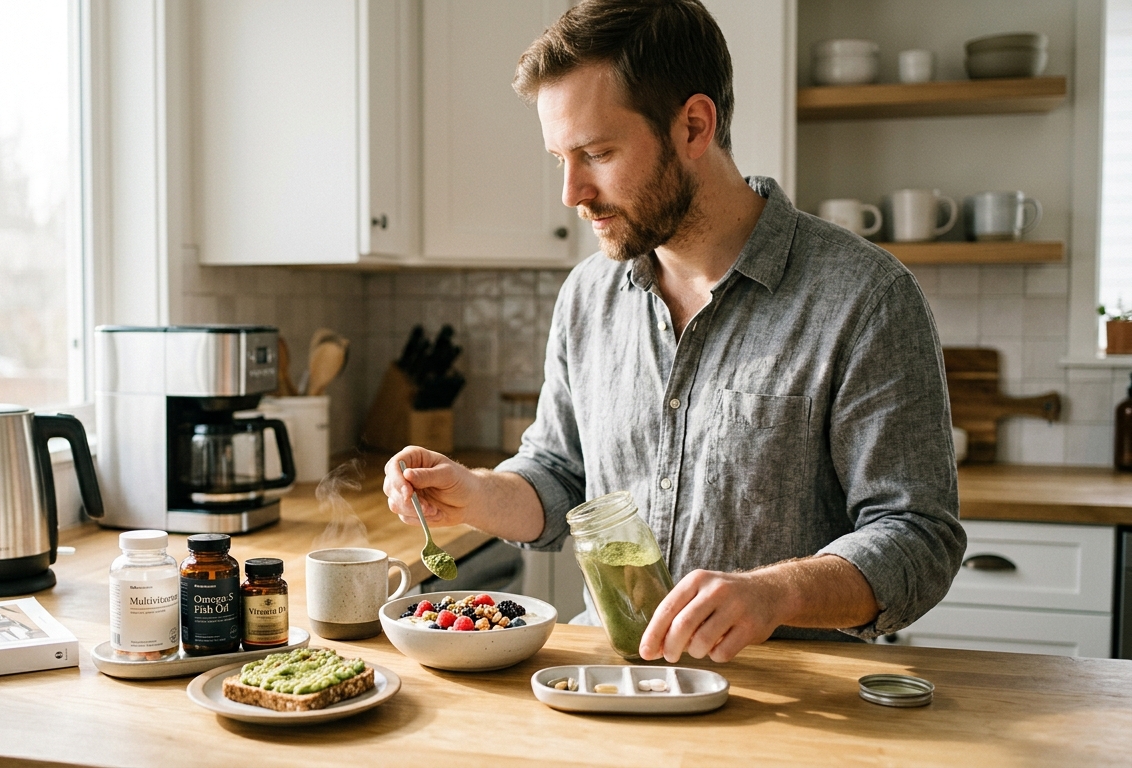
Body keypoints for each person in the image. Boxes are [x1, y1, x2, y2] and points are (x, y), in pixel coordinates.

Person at [383, 0, 965, 664]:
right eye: (560, 160)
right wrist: (479, 493)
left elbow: (917, 536)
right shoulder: (588, 297)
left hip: (790, 702)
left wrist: (774, 595)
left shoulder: (865, 298)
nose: (572, 192)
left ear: (694, 124)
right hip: (610, 683)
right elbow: (558, 474)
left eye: (597, 153)